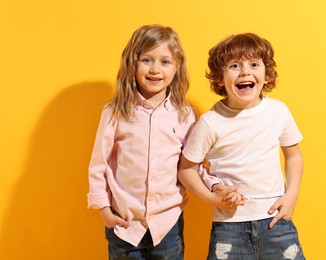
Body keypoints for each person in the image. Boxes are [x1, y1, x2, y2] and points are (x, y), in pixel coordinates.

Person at [87, 24, 239, 260]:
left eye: (165, 62)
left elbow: (193, 166)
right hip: (124, 225)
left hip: (167, 225)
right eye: (147, 60)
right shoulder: (115, 112)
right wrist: (105, 211)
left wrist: (215, 186)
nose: (155, 69)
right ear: (132, 63)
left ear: (176, 67)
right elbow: (98, 166)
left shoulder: (186, 115)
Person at [178, 33, 306, 259]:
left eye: (254, 64)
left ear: (266, 75)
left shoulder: (278, 112)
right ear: (220, 78)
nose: (245, 71)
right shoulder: (210, 122)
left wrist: (292, 195)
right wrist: (211, 199)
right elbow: (186, 170)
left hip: (275, 220)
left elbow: (293, 155)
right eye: (235, 66)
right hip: (229, 227)